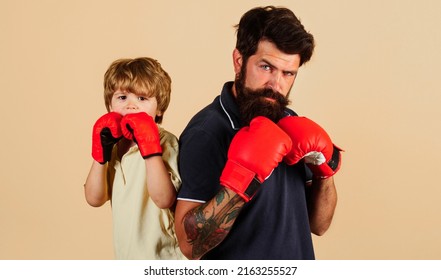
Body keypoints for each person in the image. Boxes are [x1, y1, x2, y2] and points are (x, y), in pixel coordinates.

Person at [175, 6, 342, 260]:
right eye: (266, 67)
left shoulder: (290, 122)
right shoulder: (207, 132)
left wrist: (324, 172)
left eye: (288, 73)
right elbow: (189, 246)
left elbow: (319, 225)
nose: (276, 84)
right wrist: (240, 181)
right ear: (239, 61)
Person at [84, 57, 186, 260]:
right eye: (122, 98)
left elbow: (165, 199)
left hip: (163, 258)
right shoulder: (112, 145)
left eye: (142, 98)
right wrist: (100, 154)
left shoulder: (166, 141)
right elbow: (94, 199)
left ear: (159, 109)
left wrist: (150, 150)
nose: (131, 106)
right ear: (109, 104)